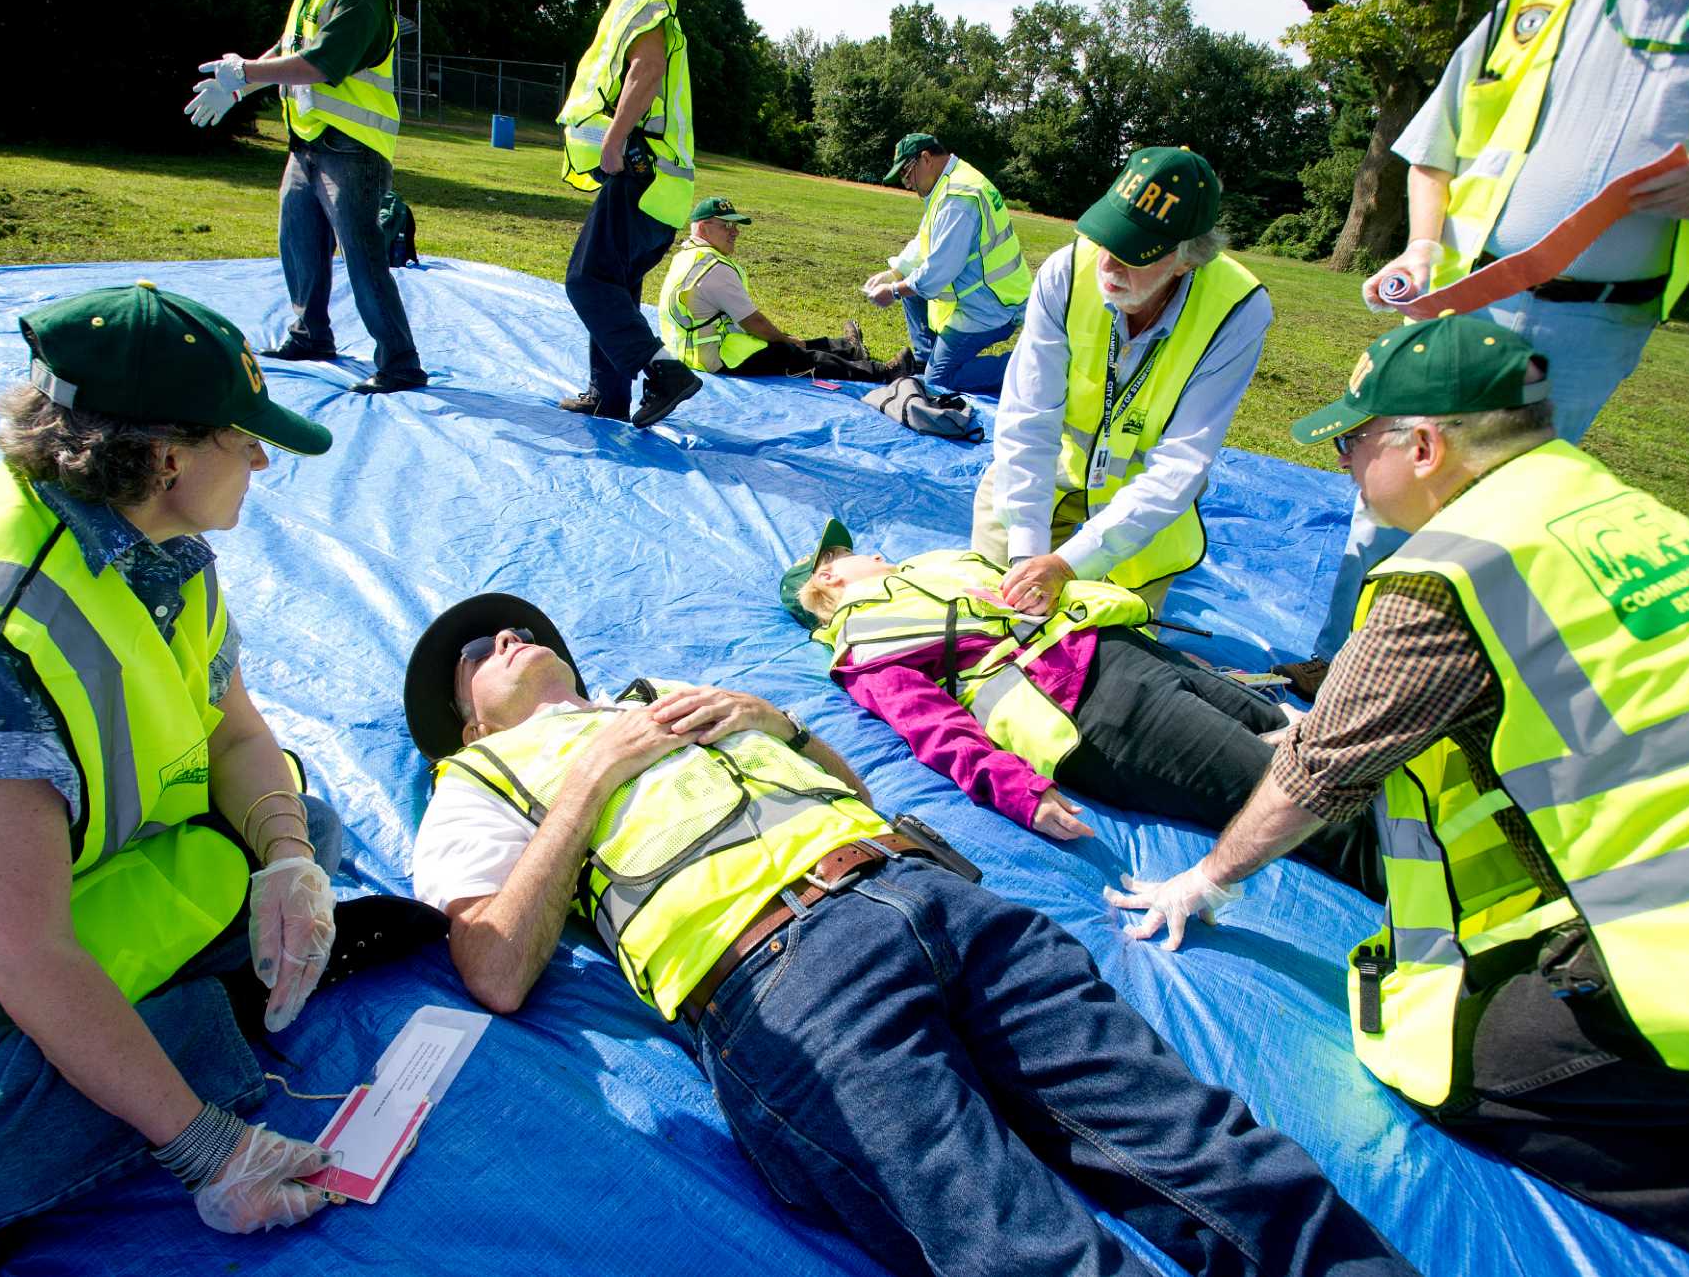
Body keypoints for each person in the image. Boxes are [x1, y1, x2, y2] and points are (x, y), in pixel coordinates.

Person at [400, 593, 1416, 1277]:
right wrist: (588, 778)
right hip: (779, 980)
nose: (505, 641)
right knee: (1011, 1240)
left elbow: (844, 795)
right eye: (477, 656)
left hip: (935, 901)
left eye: (516, 630)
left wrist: (781, 726)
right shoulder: (481, 780)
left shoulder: (673, 700)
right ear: (470, 725)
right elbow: (491, 966)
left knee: (1208, 1148)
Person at [1111, 315, 1689, 1275]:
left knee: (1464, 1067)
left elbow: (1317, 775)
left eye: (1353, 442)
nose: (1344, 464)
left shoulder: (1452, 573)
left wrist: (1203, 878)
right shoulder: (1626, 514)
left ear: (1425, 445)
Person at [0, 284, 437, 1254]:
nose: (260, 459)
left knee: (308, 826)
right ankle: (189, 1038)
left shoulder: (163, 550)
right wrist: (207, 1148)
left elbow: (236, 732)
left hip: (51, 883)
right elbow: (26, 954)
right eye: (242, 436)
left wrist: (291, 857)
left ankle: (136, 1039)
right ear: (168, 457)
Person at [1288, 0, 1689, 689]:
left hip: (1600, 319)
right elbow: (1434, 148)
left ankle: (1413, 692)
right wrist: (1422, 248)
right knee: (1390, 490)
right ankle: (1336, 671)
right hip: (1470, 298)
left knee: (1500, 513)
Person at [775, 520, 1382, 896]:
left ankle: (1437, 838)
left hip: (1124, 650)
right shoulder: (865, 644)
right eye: (848, 553)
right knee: (1307, 806)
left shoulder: (934, 565)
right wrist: (1017, 790)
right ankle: (1446, 913)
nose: (871, 549)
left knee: (1312, 740)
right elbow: (932, 727)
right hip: (1095, 712)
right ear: (828, 579)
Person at [977, 147, 1271, 621]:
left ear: (1186, 259)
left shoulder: (1238, 311)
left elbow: (1181, 462)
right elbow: (1028, 421)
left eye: (1135, 254)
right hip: (1039, 485)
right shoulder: (1065, 273)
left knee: (1110, 651)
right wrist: (1026, 558)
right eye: (1107, 239)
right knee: (990, 625)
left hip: (1140, 516)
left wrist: (1070, 563)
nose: (1109, 265)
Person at [187, 0, 425, 395]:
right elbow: (292, 46)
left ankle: (400, 362)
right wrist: (239, 89)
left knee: (363, 256)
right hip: (310, 140)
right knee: (298, 241)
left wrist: (245, 73)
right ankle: (310, 335)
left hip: (353, 148)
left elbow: (321, 63)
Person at [553, 0, 700, 429]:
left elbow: (647, 68)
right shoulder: (632, 5)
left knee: (586, 280)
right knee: (613, 284)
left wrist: (613, 141)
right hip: (658, 182)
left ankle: (664, 373)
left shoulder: (640, 1)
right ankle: (608, 394)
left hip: (641, 171)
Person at [658, 197, 904, 382]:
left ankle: (848, 348)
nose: (736, 232)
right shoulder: (714, 267)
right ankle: (882, 372)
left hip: (693, 353)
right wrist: (785, 341)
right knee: (789, 352)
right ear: (703, 228)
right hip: (717, 358)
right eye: (727, 226)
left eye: (736, 226)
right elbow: (755, 323)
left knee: (782, 339)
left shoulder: (688, 255)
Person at [864, 133, 1030, 397]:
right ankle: (927, 357)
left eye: (907, 173)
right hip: (981, 296)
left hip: (992, 305)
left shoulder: (958, 198)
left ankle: (1026, 366)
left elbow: (940, 269)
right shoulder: (950, 182)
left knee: (940, 381)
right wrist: (894, 272)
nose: (907, 184)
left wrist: (894, 291)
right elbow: (926, 241)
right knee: (909, 282)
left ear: (926, 159)